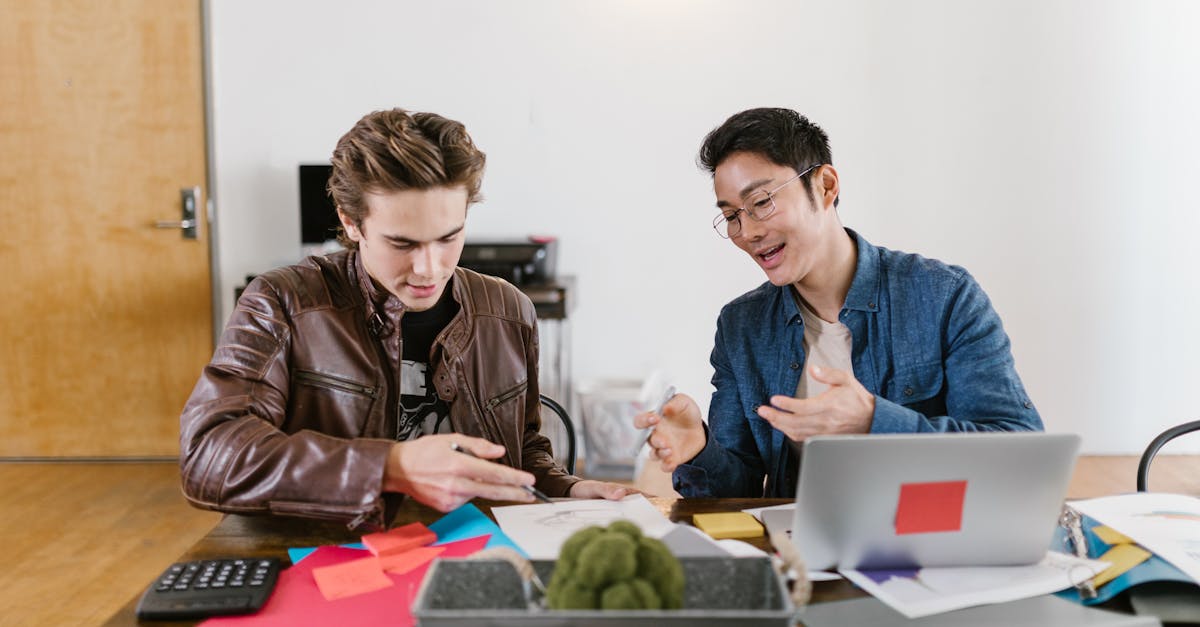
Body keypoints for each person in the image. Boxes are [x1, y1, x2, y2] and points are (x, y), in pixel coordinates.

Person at [180, 108, 629, 530]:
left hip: (477, 551)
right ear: (351, 222)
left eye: (448, 237)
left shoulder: (510, 311)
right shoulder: (282, 303)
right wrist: (389, 468)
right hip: (338, 554)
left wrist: (569, 488)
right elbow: (208, 455)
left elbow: (523, 452)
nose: (429, 268)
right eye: (402, 244)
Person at [636, 108, 1043, 498]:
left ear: (826, 186)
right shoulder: (741, 326)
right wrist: (699, 449)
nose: (748, 232)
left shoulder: (944, 296)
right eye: (732, 216)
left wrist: (872, 419)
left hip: (931, 541)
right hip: (799, 551)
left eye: (761, 202)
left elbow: (1020, 453)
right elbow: (737, 491)